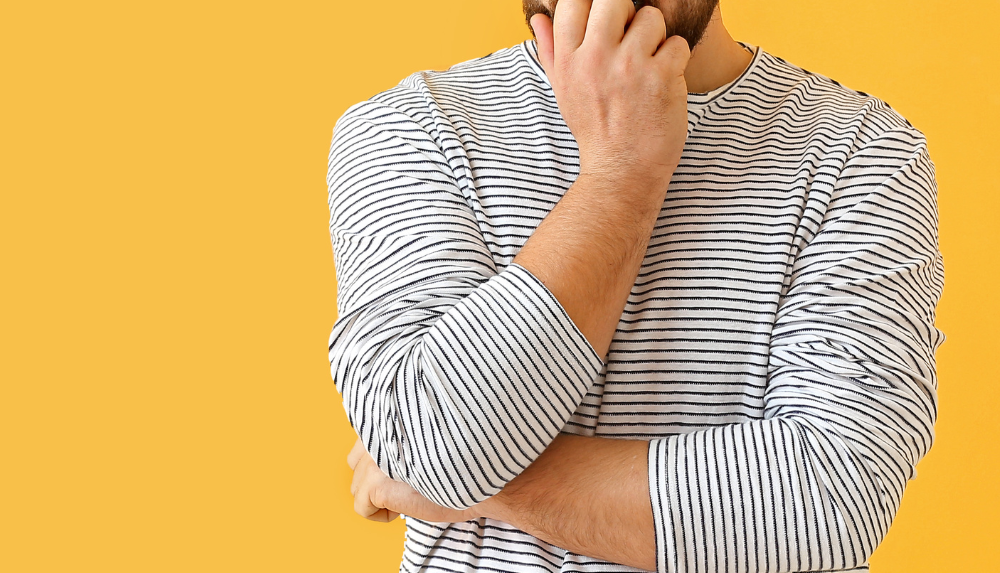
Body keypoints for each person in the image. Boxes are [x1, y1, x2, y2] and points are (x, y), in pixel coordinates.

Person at [328, 0, 946, 571]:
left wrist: (471, 483)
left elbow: (830, 501)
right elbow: (431, 443)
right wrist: (619, 173)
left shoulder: (863, 151)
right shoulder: (413, 127)